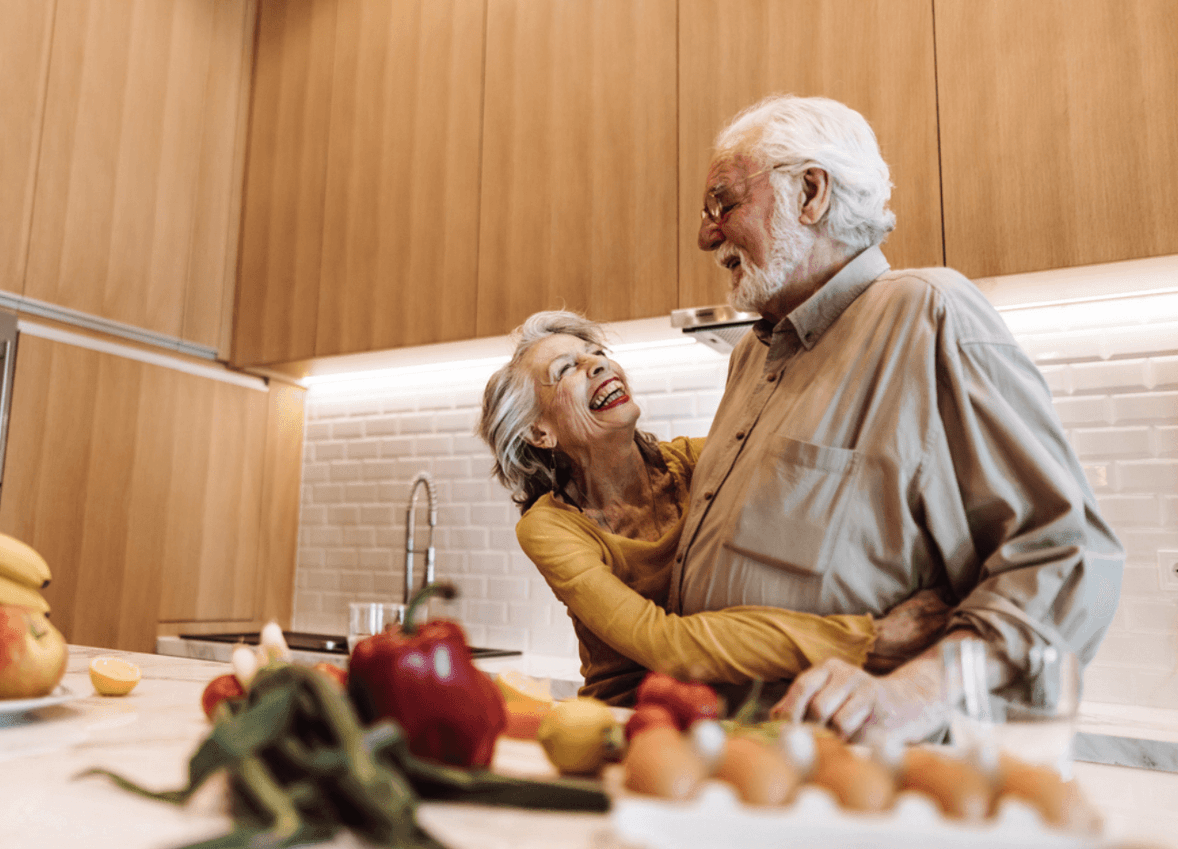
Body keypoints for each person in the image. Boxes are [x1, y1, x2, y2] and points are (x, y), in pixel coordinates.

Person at [673, 94, 1124, 740]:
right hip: (725, 755)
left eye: (722, 204)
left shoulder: (930, 314)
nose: (706, 235)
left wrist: (917, 690)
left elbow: (1065, 556)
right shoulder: (751, 355)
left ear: (810, 193)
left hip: (848, 766)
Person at [477, 310, 949, 706]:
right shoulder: (549, 527)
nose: (597, 364)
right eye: (566, 369)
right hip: (625, 719)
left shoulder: (697, 463)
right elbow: (666, 644)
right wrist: (867, 639)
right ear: (539, 433)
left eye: (596, 353)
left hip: (721, 707)